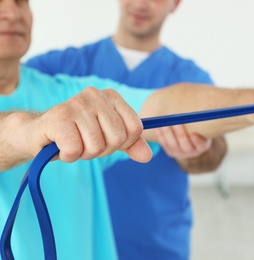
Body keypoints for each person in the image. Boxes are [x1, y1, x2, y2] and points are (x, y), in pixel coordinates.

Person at [0, 0, 254, 259]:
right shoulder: (62, 70)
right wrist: (28, 129)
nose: (12, 12)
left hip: (151, 239)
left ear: (175, 3)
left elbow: (170, 108)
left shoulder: (71, 86)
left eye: (21, 0)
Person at [25, 1, 227, 258]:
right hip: (78, 244)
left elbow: (215, 151)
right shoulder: (59, 69)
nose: (141, 3)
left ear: (175, 3)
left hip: (157, 244)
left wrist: (198, 151)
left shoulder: (191, 80)